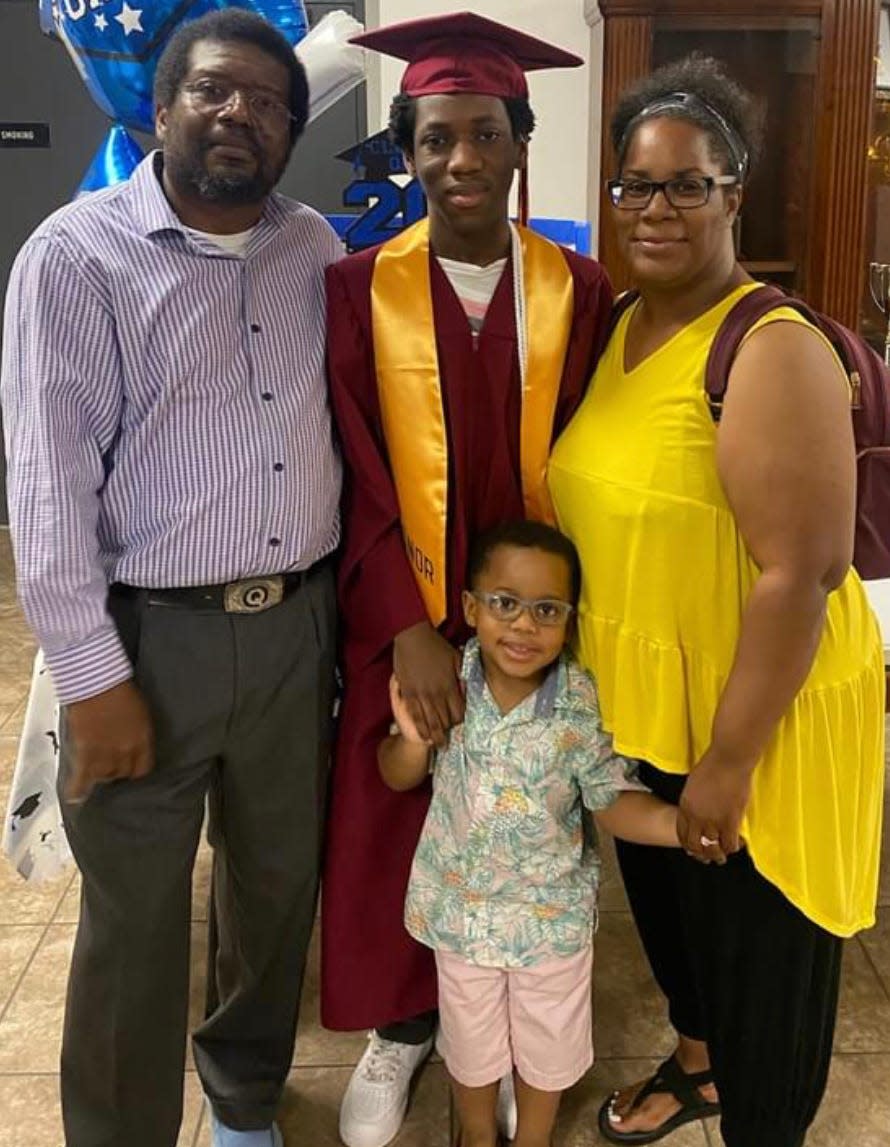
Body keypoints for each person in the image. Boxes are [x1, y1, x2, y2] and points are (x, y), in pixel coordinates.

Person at [1, 11, 341, 1147]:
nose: (240, 112)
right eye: (213, 91)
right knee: (134, 921)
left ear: (292, 128)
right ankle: (118, 1130)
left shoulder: (316, 251)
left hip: (297, 630)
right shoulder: (75, 256)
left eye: (267, 99)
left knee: (274, 887)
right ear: (162, 108)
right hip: (151, 640)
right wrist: (94, 680)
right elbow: (47, 495)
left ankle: (243, 1094)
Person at [548, 54, 886, 1147]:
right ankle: (695, 1069)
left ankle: (762, 1120)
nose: (655, 208)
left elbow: (801, 575)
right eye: (634, 184)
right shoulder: (615, 329)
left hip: (756, 719)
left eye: (686, 183)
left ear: (733, 193)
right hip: (645, 705)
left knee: (767, 973)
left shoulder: (769, 344)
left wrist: (728, 762)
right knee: (681, 933)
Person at [321, 12, 613, 1147]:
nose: (460, 160)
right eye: (435, 137)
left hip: (531, 620)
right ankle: (403, 1030)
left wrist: (538, 618)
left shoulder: (575, 289)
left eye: (482, 134)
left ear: (516, 143)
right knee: (393, 810)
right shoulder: (358, 287)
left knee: (520, 821)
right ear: (408, 149)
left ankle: (525, 1016)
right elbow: (350, 464)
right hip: (406, 611)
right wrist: (405, 625)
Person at [379, 520, 683, 1147]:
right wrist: (412, 741)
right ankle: (477, 1134)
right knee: (469, 1043)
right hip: (460, 914)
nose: (523, 625)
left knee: (549, 1045)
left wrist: (679, 826)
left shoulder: (582, 701)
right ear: (470, 607)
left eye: (546, 609)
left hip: (552, 922)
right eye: (505, 604)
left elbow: (610, 800)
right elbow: (394, 773)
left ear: (570, 620)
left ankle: (534, 1138)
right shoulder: (449, 682)